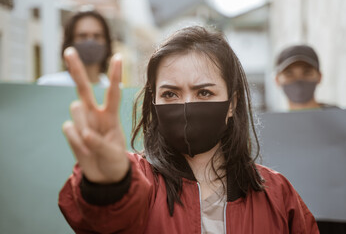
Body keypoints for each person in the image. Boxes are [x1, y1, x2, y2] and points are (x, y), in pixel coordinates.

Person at [58, 26, 319, 233]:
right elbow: (98, 220)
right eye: (170, 94)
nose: (186, 105)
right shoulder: (136, 182)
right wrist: (108, 187)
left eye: (204, 92)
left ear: (232, 104)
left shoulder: (278, 194)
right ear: (154, 101)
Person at [275, 44, 346, 234]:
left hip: (336, 225)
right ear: (277, 80)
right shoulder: (270, 132)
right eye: (290, 74)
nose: (299, 80)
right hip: (289, 225)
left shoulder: (343, 123)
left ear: (319, 77)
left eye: (307, 72)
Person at [37, 10, 112, 87]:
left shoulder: (114, 89)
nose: (90, 42)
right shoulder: (49, 85)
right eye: (82, 36)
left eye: (97, 36)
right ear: (70, 42)